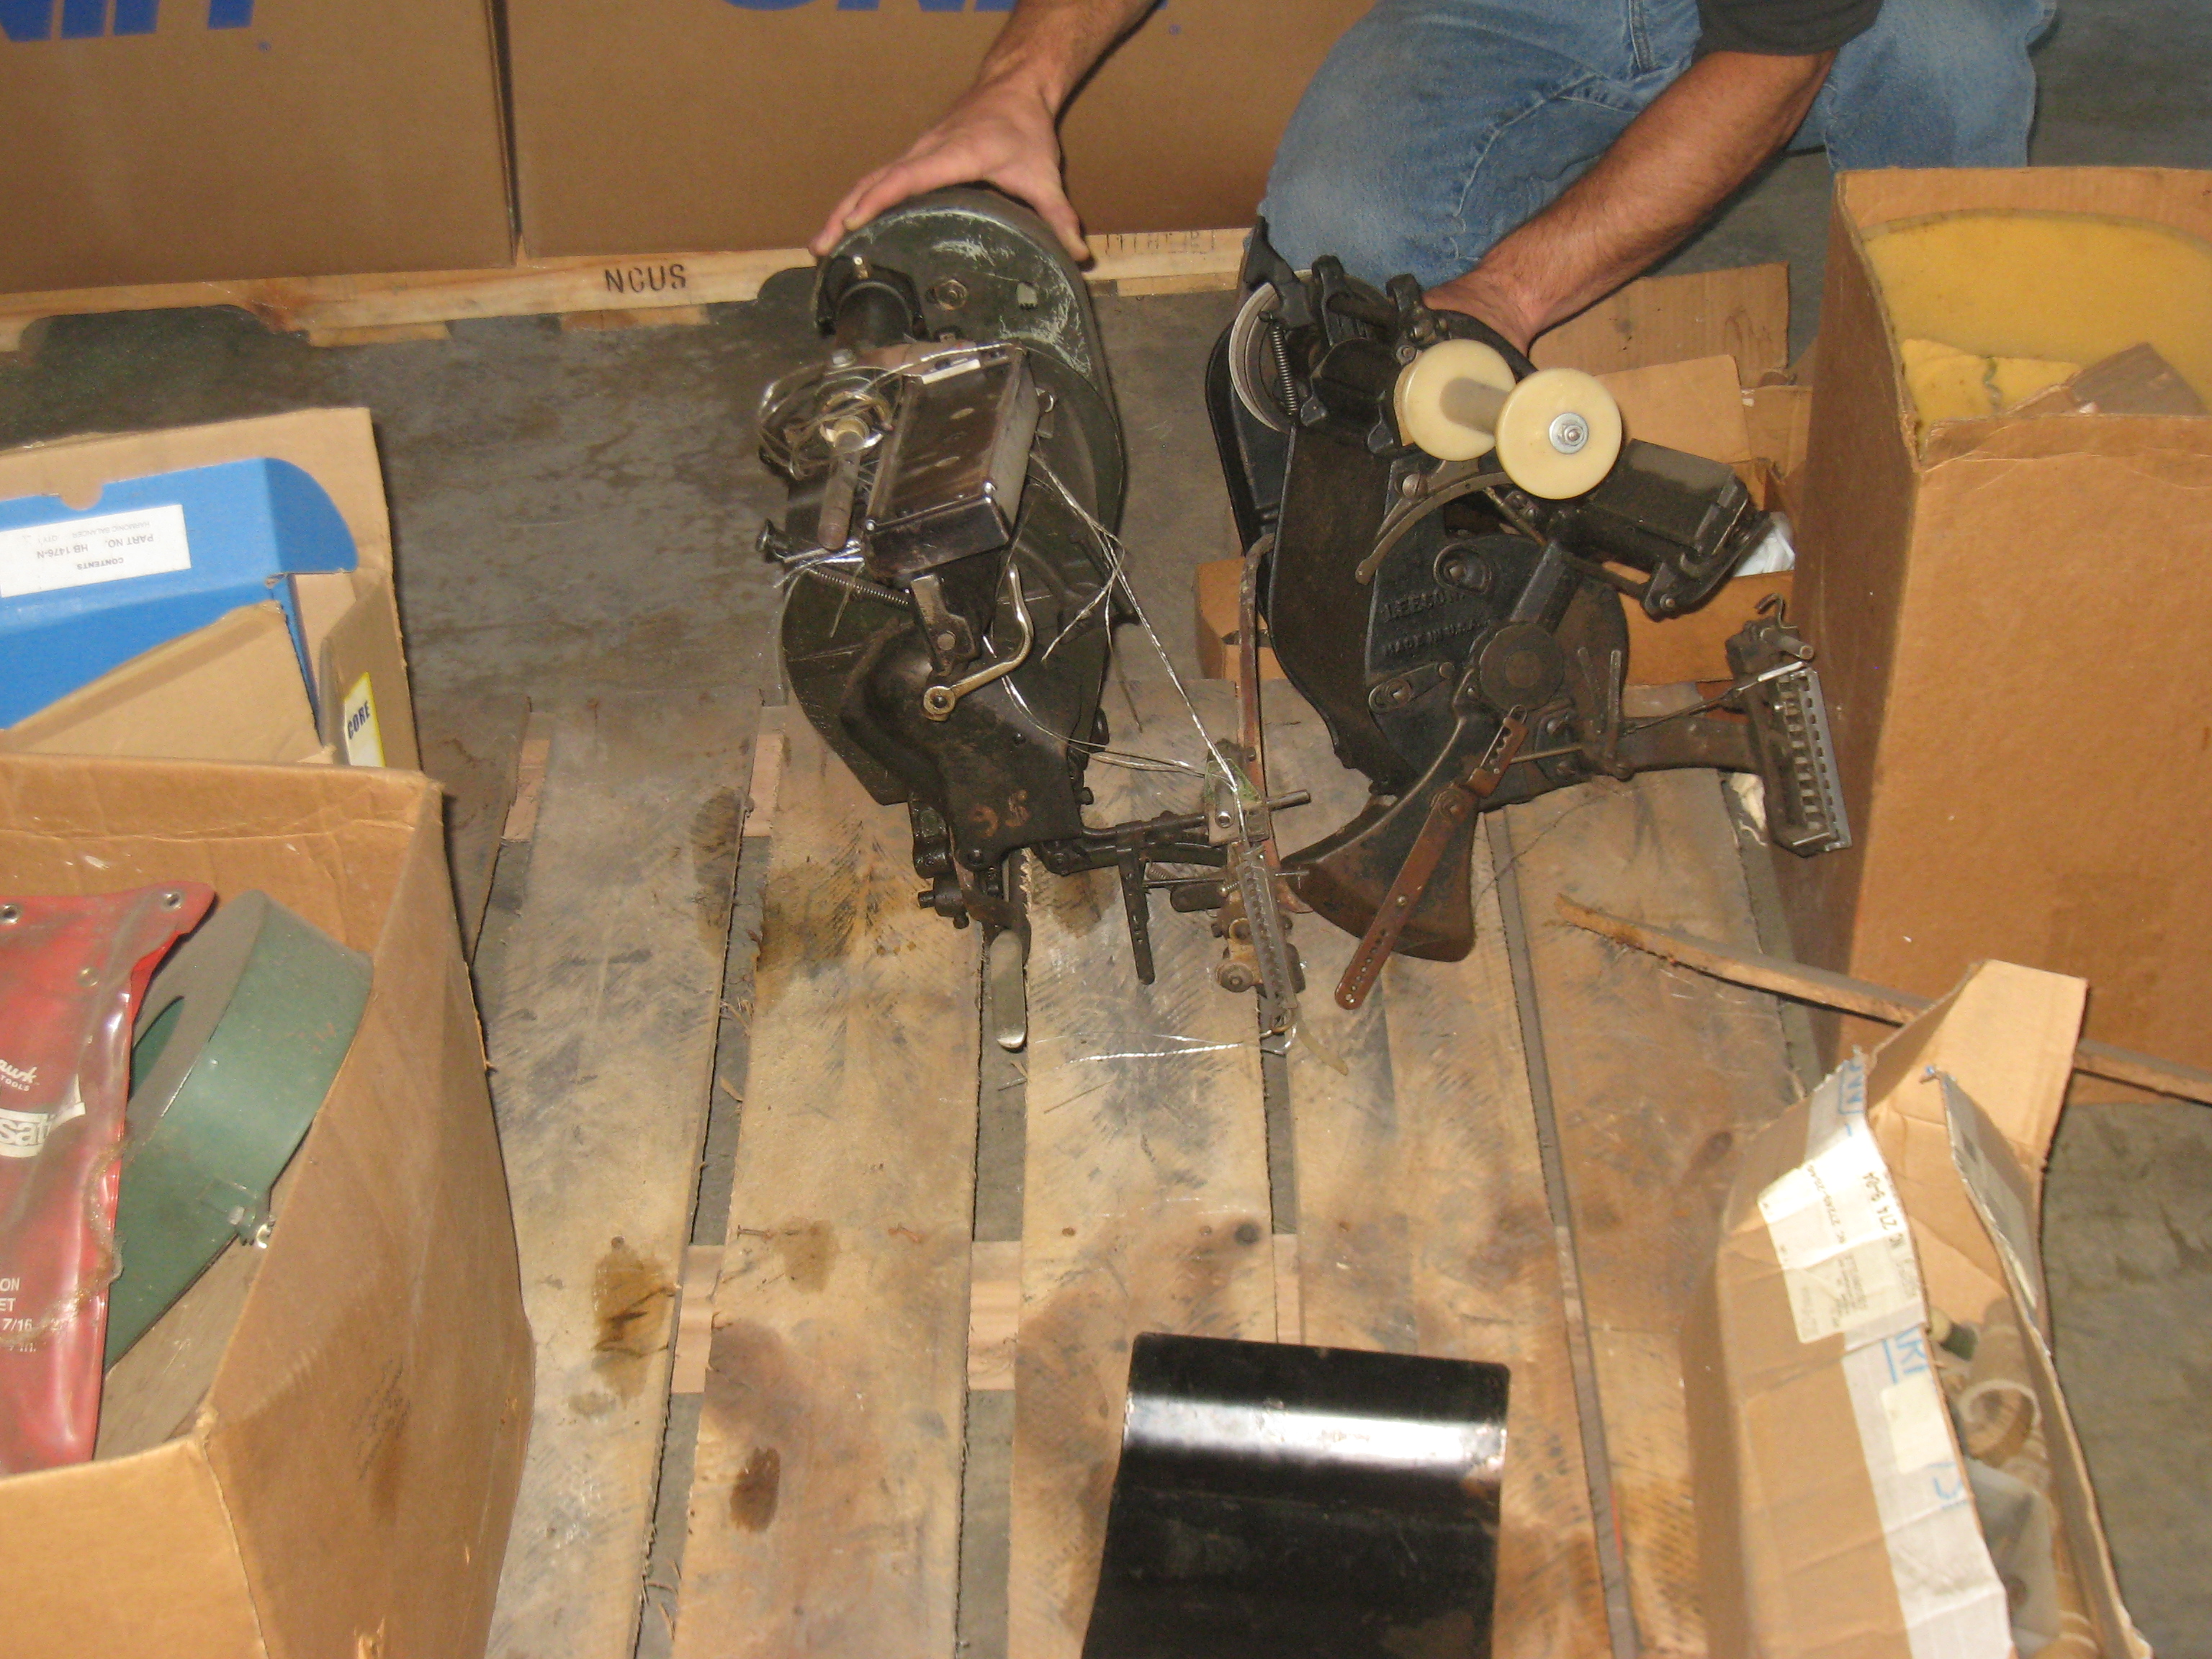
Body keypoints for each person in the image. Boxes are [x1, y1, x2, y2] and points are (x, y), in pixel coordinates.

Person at [812, 0, 2054, 352]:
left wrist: (1511, 294)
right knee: (1345, 244)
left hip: (1848, 19)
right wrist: (1018, 86)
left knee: (1951, 63)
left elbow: (1773, 59)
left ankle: (1932, 413)